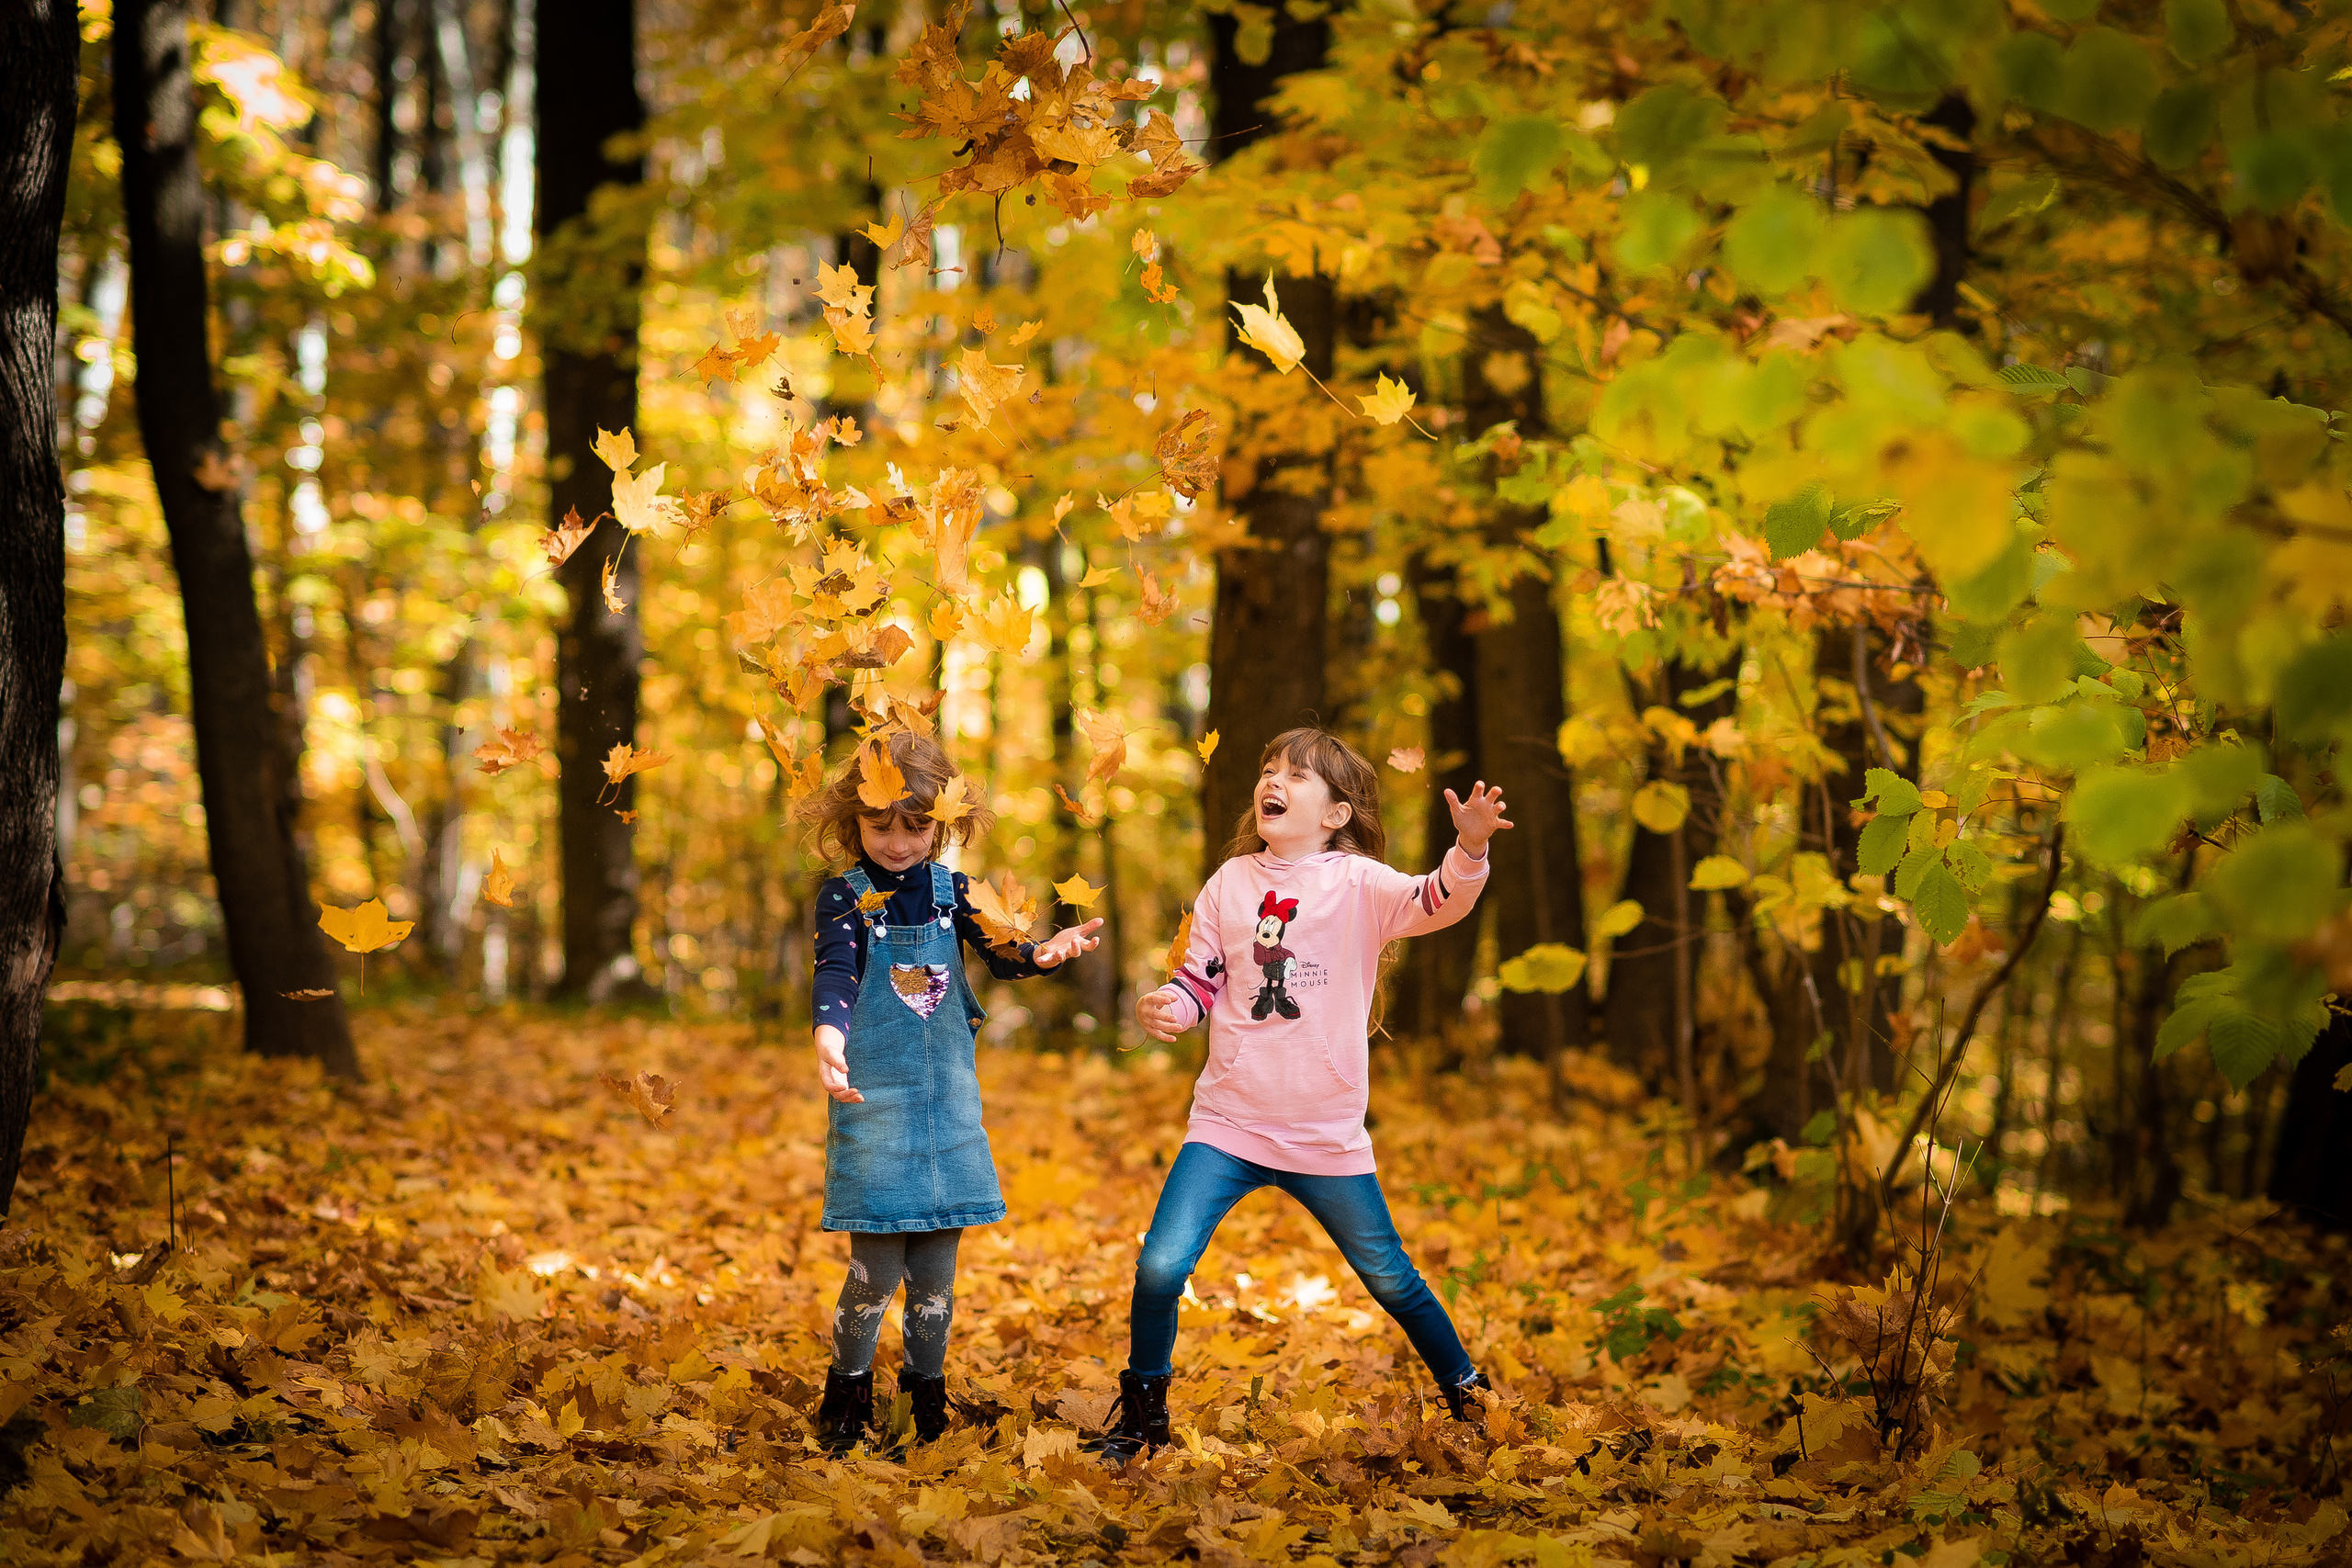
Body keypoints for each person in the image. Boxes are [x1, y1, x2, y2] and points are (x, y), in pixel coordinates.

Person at [1091, 727, 1510, 1461]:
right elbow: (1200, 979)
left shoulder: (1361, 884)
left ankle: (1472, 1396)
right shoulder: (1229, 883)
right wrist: (1170, 1007)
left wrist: (1469, 848)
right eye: (1268, 767)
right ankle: (1142, 1416)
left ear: (1337, 813)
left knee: (1393, 1278)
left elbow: (1436, 899)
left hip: (1325, 1136)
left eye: (1295, 774)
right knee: (1159, 1266)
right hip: (1228, 1124)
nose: (1273, 780)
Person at [799, 728, 1102, 1453]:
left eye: (916, 827)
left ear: (942, 823)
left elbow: (1005, 954)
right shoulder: (844, 897)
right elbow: (836, 971)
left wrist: (1044, 952)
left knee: (936, 1273)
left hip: (950, 1114)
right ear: (852, 820)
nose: (899, 843)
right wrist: (829, 1034)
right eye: (881, 826)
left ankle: (923, 1400)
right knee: (875, 1271)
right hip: (877, 1112)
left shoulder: (953, 892)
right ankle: (847, 1394)